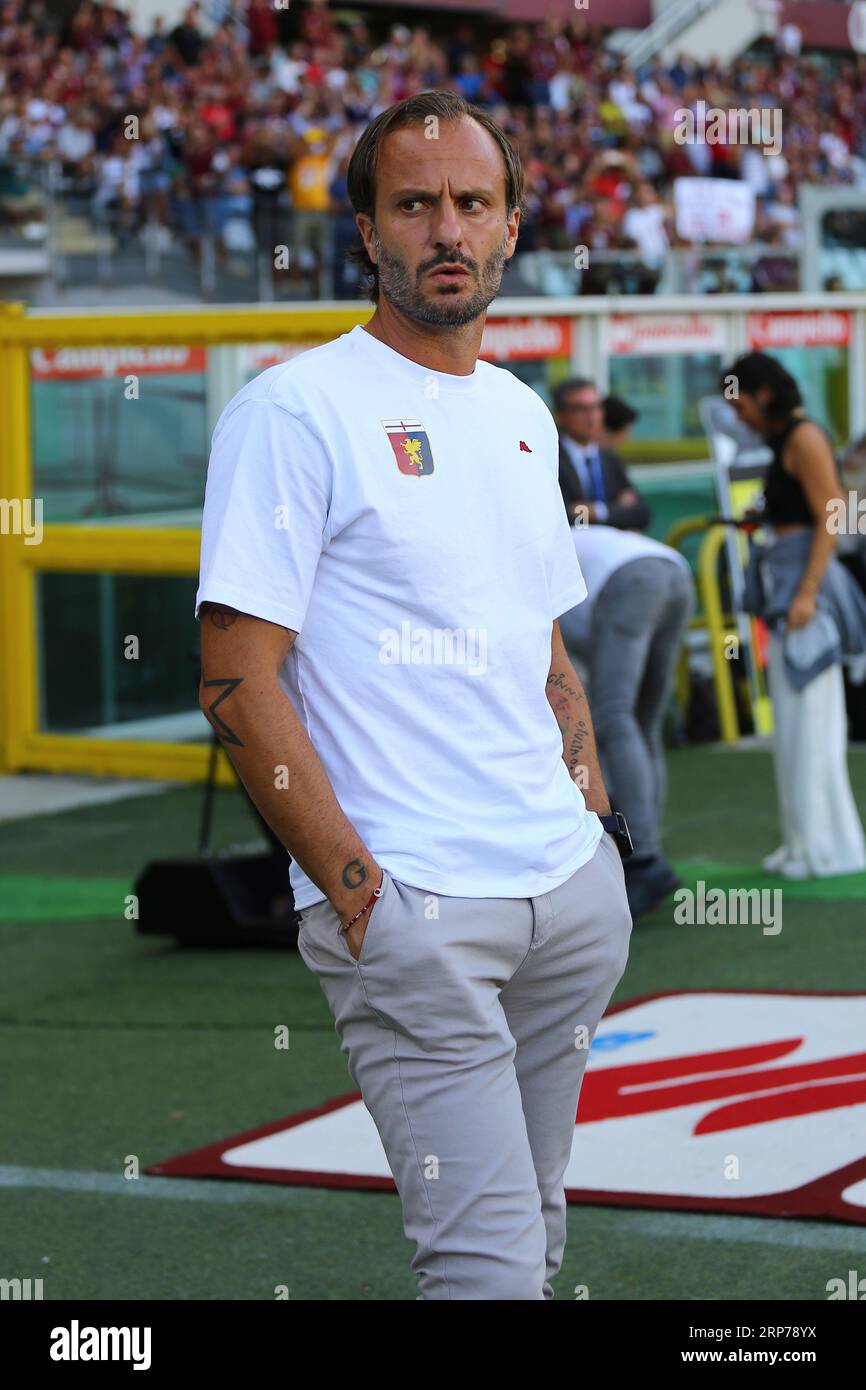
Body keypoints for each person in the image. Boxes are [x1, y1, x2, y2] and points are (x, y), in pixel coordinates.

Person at [196, 89, 632, 1301]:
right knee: (484, 1269)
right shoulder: (292, 409)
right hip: (414, 910)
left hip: (565, 897)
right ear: (366, 230)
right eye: (414, 203)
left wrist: (588, 814)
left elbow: (539, 641)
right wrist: (355, 894)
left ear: (508, 226)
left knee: (532, 1238)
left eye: (470, 202)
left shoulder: (520, 411)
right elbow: (237, 680)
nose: (445, 228)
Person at [723, 352, 866, 879]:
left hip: (807, 593)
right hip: (787, 587)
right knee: (793, 721)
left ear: (764, 394)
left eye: (740, 405)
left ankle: (823, 846)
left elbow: (832, 513)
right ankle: (804, 839)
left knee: (812, 721)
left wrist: (807, 591)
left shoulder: (804, 437)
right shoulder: (784, 440)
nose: (739, 418)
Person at [569, 523, 695, 917]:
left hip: (629, 580)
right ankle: (648, 846)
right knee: (642, 723)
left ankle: (644, 858)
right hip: (672, 569)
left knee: (614, 719)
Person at [554, 377, 651, 532]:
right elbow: (564, 520)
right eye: (580, 409)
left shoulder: (610, 459)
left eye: (596, 407)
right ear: (561, 415)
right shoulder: (551, 459)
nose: (591, 417)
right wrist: (615, 512)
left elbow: (641, 515)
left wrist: (598, 511)